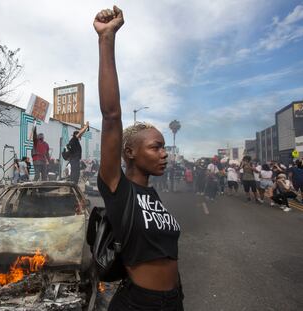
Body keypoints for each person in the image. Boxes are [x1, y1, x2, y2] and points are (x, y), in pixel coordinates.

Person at [94, 6, 183, 310]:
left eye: (163, 147)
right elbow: (111, 115)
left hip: (173, 300)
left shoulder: (151, 193)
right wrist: (107, 40)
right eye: (156, 147)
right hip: (140, 304)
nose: (164, 154)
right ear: (130, 152)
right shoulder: (119, 189)